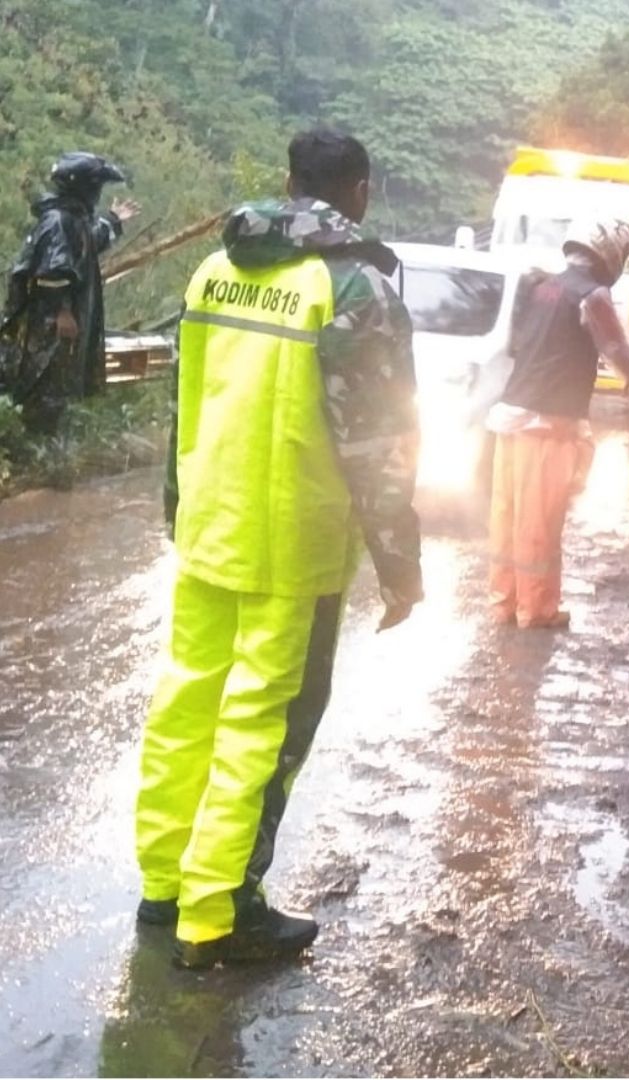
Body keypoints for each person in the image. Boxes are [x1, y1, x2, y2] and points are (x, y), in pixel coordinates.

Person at [135, 130, 423, 969]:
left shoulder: (215, 269)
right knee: (262, 722)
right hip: (293, 540)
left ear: (290, 183)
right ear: (358, 193)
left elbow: (185, 402)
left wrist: (177, 502)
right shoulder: (353, 284)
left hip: (209, 522)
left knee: (185, 704)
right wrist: (399, 564)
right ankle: (219, 912)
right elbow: (378, 439)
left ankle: (165, 885)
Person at [486, 218, 629, 629]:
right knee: (540, 521)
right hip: (549, 422)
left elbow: (515, 344)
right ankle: (536, 609)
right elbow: (616, 350)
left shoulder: (540, 285)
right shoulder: (592, 296)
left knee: (508, 515)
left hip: (512, 413)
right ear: (609, 254)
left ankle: (505, 601)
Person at [0, 152, 139, 433]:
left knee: (53, 390)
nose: (98, 193)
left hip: (50, 326)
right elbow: (52, 272)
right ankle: (32, 451)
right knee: (41, 389)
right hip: (43, 327)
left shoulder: (68, 219)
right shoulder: (59, 221)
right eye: (96, 186)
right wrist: (63, 311)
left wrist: (113, 220)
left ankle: (37, 445)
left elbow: (85, 246)